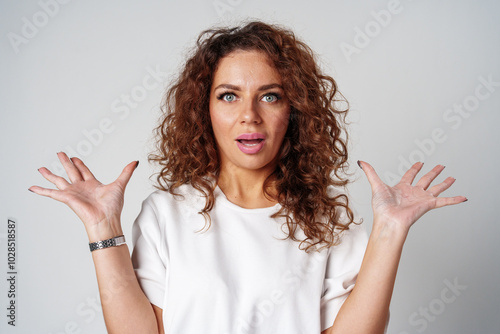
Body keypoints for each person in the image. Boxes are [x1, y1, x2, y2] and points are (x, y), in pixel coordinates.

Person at [29, 21, 467, 334]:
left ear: (293, 111)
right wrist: (103, 229)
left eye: (270, 96)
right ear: (205, 110)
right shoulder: (166, 213)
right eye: (229, 96)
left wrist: (389, 233)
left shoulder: (329, 225)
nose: (249, 117)